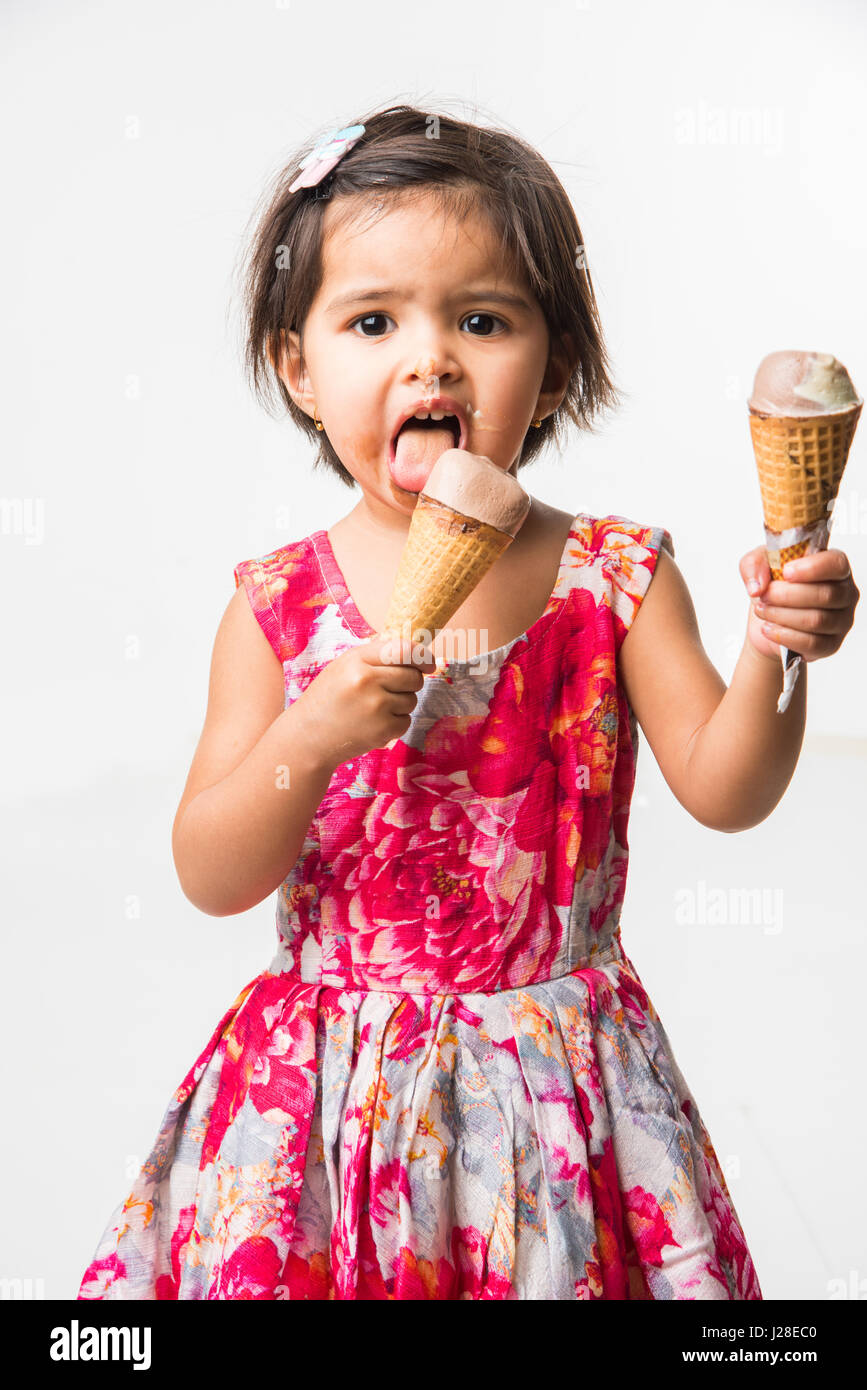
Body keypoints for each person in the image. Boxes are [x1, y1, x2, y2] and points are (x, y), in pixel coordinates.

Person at [77, 103, 859, 1301]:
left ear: (553, 367)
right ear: (299, 364)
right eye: (374, 320)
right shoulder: (280, 608)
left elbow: (729, 784)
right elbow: (211, 868)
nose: (429, 358)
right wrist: (315, 729)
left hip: (560, 1096)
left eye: (482, 319)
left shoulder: (618, 579)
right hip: (334, 1107)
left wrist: (776, 648)